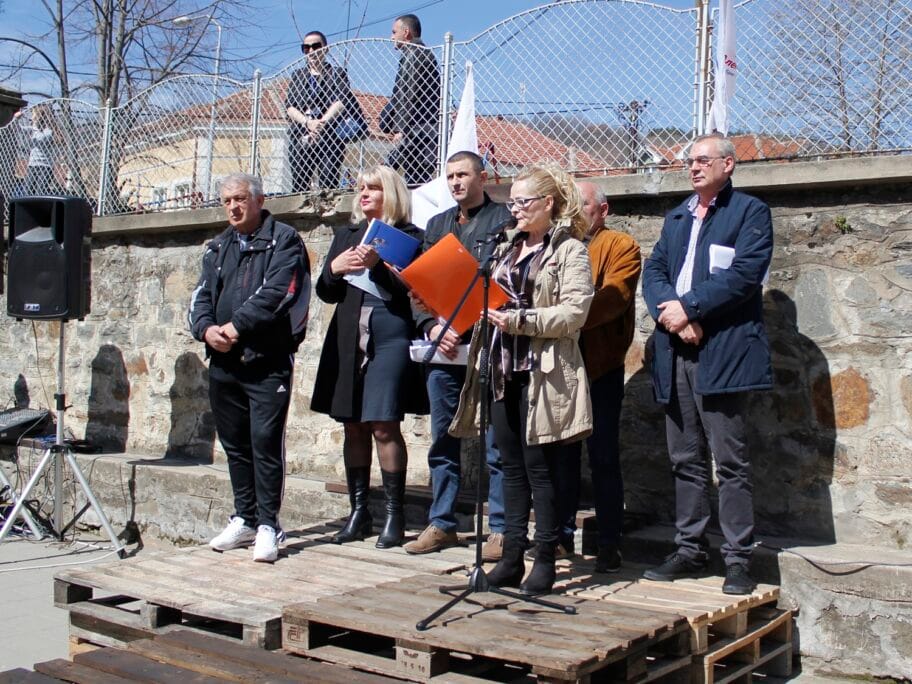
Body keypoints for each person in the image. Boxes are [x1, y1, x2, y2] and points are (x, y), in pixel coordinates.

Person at [451, 163, 594, 596]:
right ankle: (511, 556)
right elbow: (485, 292)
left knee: (540, 470)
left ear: (548, 204)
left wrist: (520, 320)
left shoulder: (571, 252)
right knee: (509, 467)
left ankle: (546, 558)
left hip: (544, 372)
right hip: (501, 368)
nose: (514, 210)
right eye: (511, 202)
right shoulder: (505, 247)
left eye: (523, 202)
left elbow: (574, 314)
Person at [641, 134, 773, 595]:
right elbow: (653, 272)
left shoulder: (749, 213)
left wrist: (691, 308)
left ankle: (738, 559)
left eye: (702, 160)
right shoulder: (677, 216)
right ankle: (690, 549)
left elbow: (743, 277)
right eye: (689, 161)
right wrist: (675, 316)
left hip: (724, 351)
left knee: (730, 460)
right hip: (676, 349)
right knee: (684, 457)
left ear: (728, 165)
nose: (692, 167)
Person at [189, 173, 310, 563]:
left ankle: (268, 525)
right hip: (223, 362)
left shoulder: (284, 240)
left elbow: (280, 292)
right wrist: (206, 330)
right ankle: (244, 517)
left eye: (240, 199)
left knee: (264, 442)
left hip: (267, 361)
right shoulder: (217, 247)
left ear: (259, 200)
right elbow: (201, 296)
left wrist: (236, 326)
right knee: (235, 444)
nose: (233, 207)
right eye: (226, 201)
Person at [311, 165, 427, 549]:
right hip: (347, 336)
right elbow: (327, 293)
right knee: (352, 425)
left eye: (373, 188)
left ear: (390, 193)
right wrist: (333, 268)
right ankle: (358, 511)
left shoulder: (409, 237)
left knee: (382, 423)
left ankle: (394, 514)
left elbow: (405, 294)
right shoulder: (346, 234)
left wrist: (378, 268)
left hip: (389, 335)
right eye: (360, 187)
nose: (363, 194)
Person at [404, 151, 510, 559]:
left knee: (495, 442)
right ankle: (442, 522)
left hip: (486, 344)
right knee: (442, 438)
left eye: (463, 174)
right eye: (450, 176)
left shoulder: (504, 221)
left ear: (482, 176)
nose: (456, 182)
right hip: (442, 348)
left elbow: (499, 284)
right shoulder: (436, 225)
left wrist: (459, 326)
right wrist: (432, 327)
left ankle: (499, 528)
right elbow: (420, 285)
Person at [553, 181, 641, 573]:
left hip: (600, 365)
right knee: (561, 456)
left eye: (582, 205)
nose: (573, 212)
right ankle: (559, 536)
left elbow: (614, 298)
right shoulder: (555, 245)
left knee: (603, 456)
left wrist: (562, 315)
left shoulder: (620, 245)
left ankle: (609, 542)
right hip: (560, 364)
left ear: (602, 210)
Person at [285, 31, 362, 192]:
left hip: (330, 138)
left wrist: (320, 124)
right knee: (299, 185)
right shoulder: (298, 75)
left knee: (329, 183)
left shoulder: (336, 73)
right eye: (306, 48)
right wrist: (308, 123)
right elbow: (290, 107)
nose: (311, 51)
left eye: (315, 46)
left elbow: (341, 102)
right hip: (302, 136)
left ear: (325, 48)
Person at [385, 14, 440, 186]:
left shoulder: (414, 54)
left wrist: (401, 128)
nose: (391, 37)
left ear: (406, 32)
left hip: (421, 134)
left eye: (394, 32)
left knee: (414, 183)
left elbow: (409, 94)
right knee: (411, 179)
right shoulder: (416, 53)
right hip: (421, 133)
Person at [14, 106, 56, 195]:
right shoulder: (33, 129)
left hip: (45, 166)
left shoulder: (48, 130)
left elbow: (43, 139)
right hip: (32, 165)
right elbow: (18, 129)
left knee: (39, 192)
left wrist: (34, 128)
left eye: (33, 115)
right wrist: (16, 118)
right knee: (27, 191)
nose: (31, 117)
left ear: (39, 116)